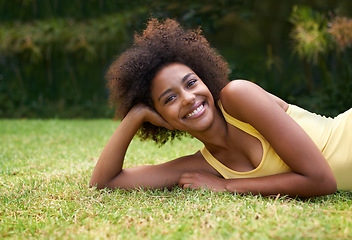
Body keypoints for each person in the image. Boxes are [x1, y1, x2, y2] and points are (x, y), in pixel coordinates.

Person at [90, 18, 352, 197]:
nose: (189, 98)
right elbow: (104, 183)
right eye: (169, 99)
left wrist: (225, 187)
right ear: (160, 116)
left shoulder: (239, 95)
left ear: (205, 79)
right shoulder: (201, 166)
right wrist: (137, 114)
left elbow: (321, 180)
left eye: (191, 83)